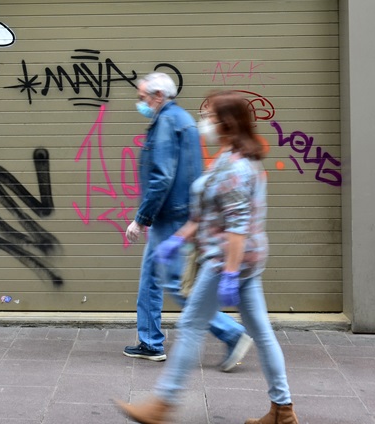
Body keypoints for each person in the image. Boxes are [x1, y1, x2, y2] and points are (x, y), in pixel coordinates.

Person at [116, 92, 299, 424]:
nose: (204, 122)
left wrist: (228, 273)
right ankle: (282, 410)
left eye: (209, 116)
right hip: (242, 262)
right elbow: (205, 216)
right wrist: (177, 240)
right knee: (260, 332)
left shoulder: (237, 168)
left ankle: (163, 404)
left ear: (226, 123)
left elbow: (237, 229)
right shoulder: (231, 157)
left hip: (227, 262)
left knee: (190, 326)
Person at [123, 73, 252, 370]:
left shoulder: (167, 122)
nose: (140, 103)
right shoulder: (180, 118)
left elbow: (162, 177)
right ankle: (150, 342)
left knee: (175, 284)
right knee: (150, 279)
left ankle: (231, 334)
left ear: (157, 96)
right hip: (179, 211)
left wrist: (141, 218)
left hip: (170, 215)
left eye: (142, 98)